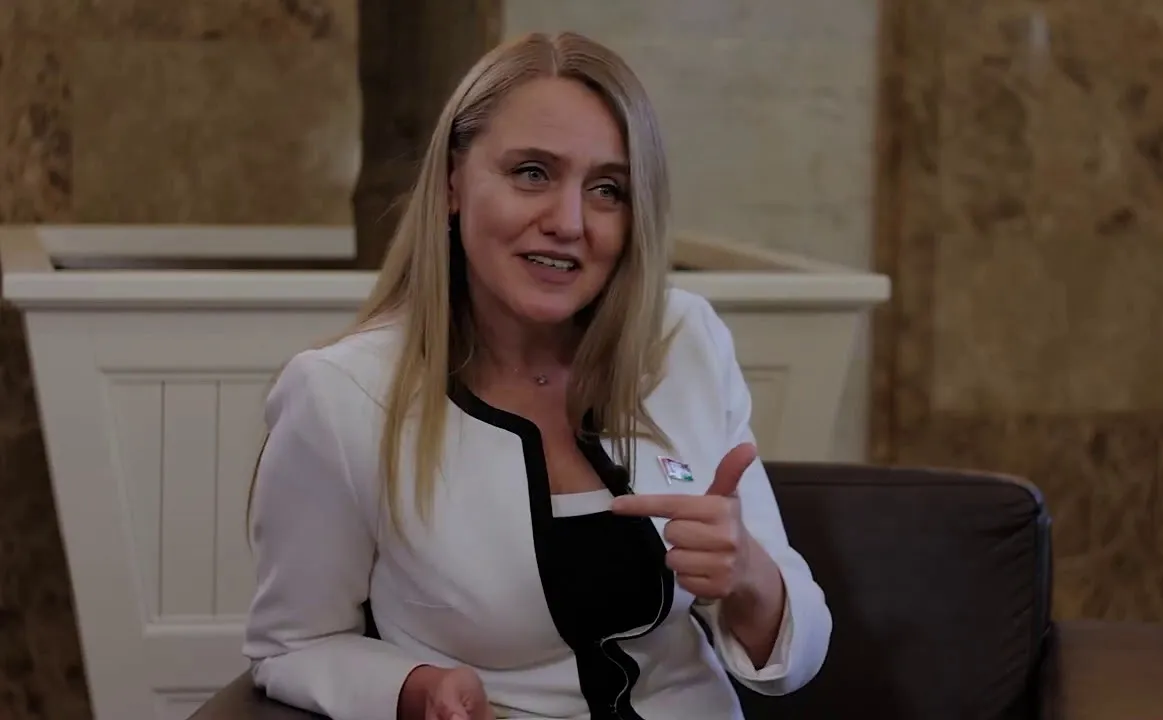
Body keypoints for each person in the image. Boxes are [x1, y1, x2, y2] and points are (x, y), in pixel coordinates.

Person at [243, 30, 832, 720]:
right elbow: (293, 645)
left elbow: (796, 657)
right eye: (532, 173)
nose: (569, 222)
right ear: (453, 183)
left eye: (607, 189)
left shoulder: (684, 341)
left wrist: (750, 577)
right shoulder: (340, 394)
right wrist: (414, 688)